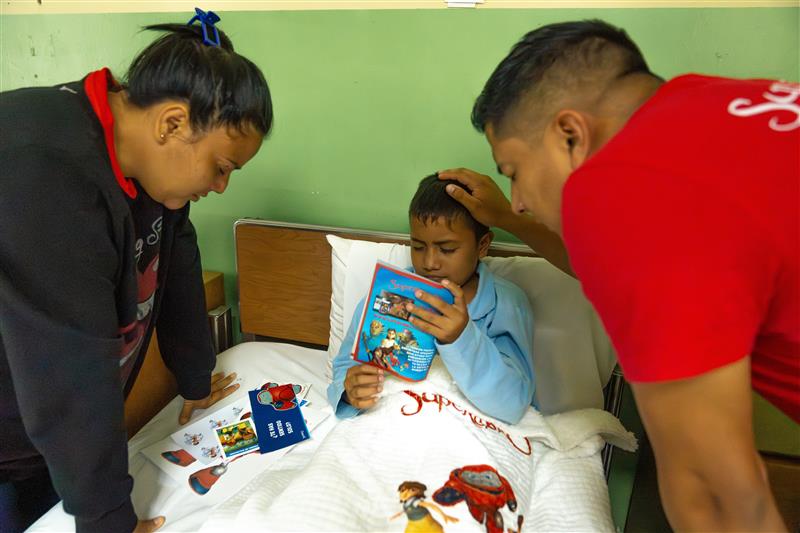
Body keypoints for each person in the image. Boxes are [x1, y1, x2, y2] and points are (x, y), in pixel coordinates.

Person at [440, 19, 798, 532]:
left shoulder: (626, 192)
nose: (516, 200)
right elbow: (630, 265)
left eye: (514, 171)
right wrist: (509, 222)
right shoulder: (708, 104)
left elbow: (714, 495)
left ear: (570, 134)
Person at [0, 11, 273, 533]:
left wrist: (195, 378)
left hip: (48, 435)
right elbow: (68, 368)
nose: (221, 187)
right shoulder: (42, 169)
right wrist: (108, 521)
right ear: (172, 124)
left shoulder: (151, 171)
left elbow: (176, 260)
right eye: (221, 168)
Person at [327, 175, 535, 424]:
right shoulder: (387, 294)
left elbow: (514, 403)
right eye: (418, 247)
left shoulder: (505, 304)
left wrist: (461, 338)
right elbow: (345, 368)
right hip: (395, 422)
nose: (429, 263)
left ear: (482, 245)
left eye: (447, 249)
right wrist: (350, 391)